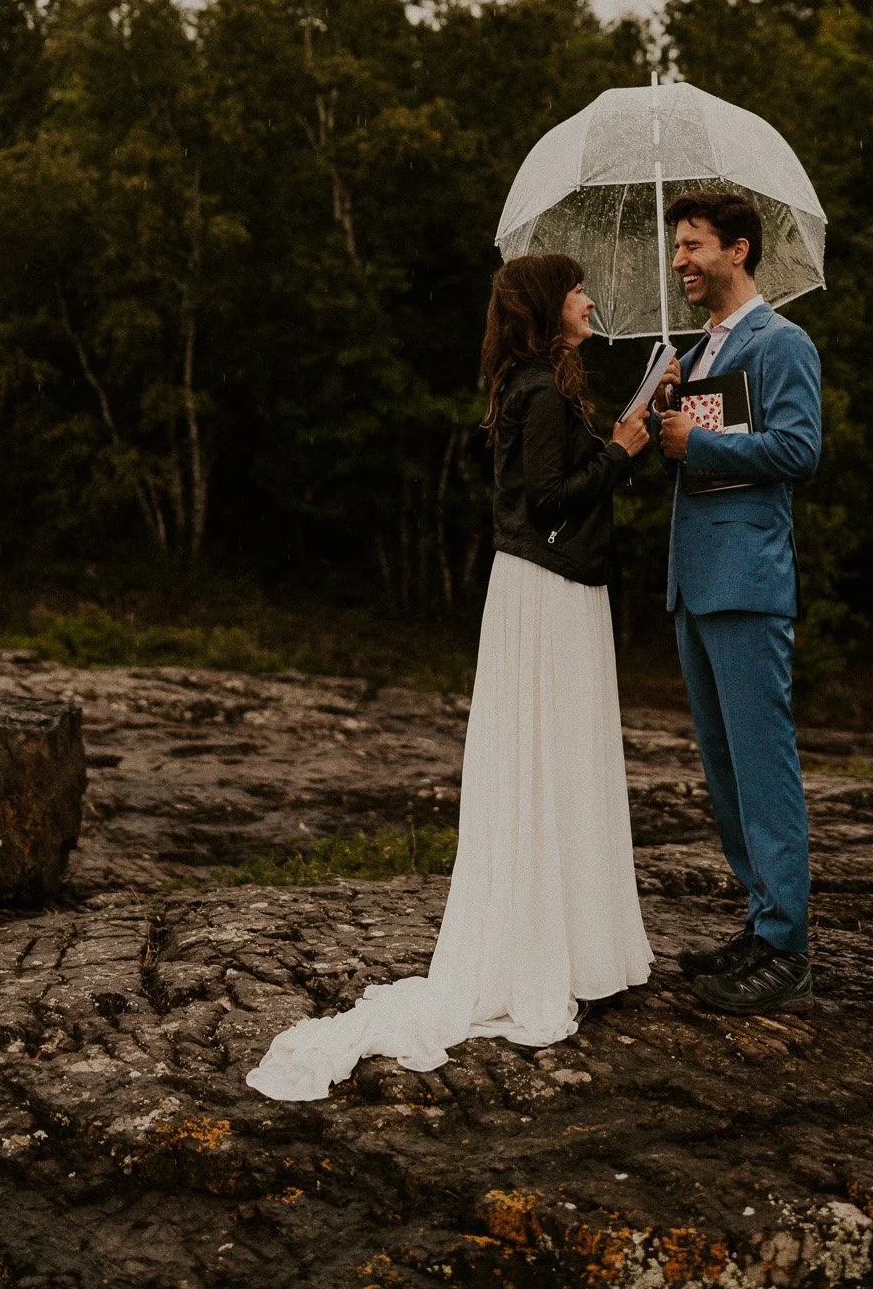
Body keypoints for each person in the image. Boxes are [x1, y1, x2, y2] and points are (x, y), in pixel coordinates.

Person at [247, 253, 653, 1096]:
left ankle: (567, 938)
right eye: (576, 290)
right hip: (547, 592)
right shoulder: (539, 390)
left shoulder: (536, 384)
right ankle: (552, 950)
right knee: (552, 757)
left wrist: (617, 436)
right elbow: (544, 504)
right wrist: (621, 450)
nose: (588, 299)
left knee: (554, 760)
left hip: (546, 589)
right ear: (549, 306)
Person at [651, 190, 822, 1015]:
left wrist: (700, 441)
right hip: (695, 580)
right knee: (723, 772)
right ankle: (760, 924)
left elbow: (797, 447)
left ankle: (786, 948)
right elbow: (694, 455)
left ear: (738, 250)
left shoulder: (780, 340)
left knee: (762, 765)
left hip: (748, 582)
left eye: (692, 246)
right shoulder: (694, 348)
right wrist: (664, 418)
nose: (678, 261)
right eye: (677, 246)